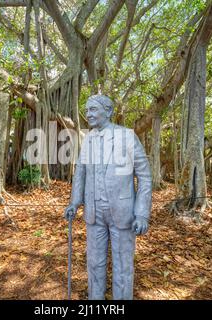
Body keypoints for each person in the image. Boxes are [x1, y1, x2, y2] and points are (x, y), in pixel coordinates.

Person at [64, 94, 153, 300]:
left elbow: (145, 177)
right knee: (94, 262)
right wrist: (75, 202)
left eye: (93, 109)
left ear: (109, 111)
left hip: (123, 213)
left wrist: (141, 214)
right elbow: (81, 173)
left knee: (122, 264)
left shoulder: (127, 136)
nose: (88, 115)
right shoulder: (88, 140)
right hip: (94, 213)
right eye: (86, 110)